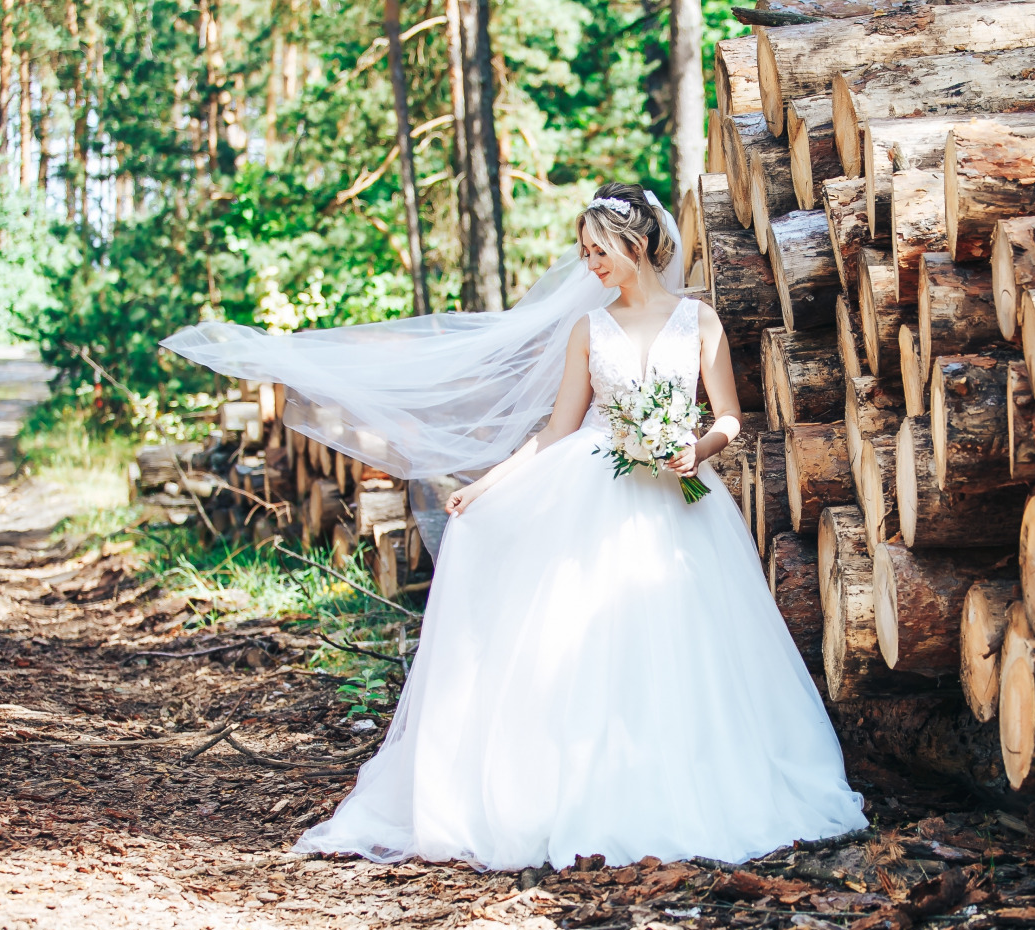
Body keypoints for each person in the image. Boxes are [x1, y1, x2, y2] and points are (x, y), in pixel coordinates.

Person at [163, 184, 866, 869]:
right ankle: (580, 789)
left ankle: (692, 780)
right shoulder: (588, 330)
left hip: (681, 499)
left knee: (686, 645)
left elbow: (729, 417)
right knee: (580, 642)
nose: (589, 265)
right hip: (594, 490)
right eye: (583, 252)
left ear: (640, 244)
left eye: (599, 250)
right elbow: (557, 431)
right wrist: (487, 488)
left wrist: (696, 448)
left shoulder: (699, 320)